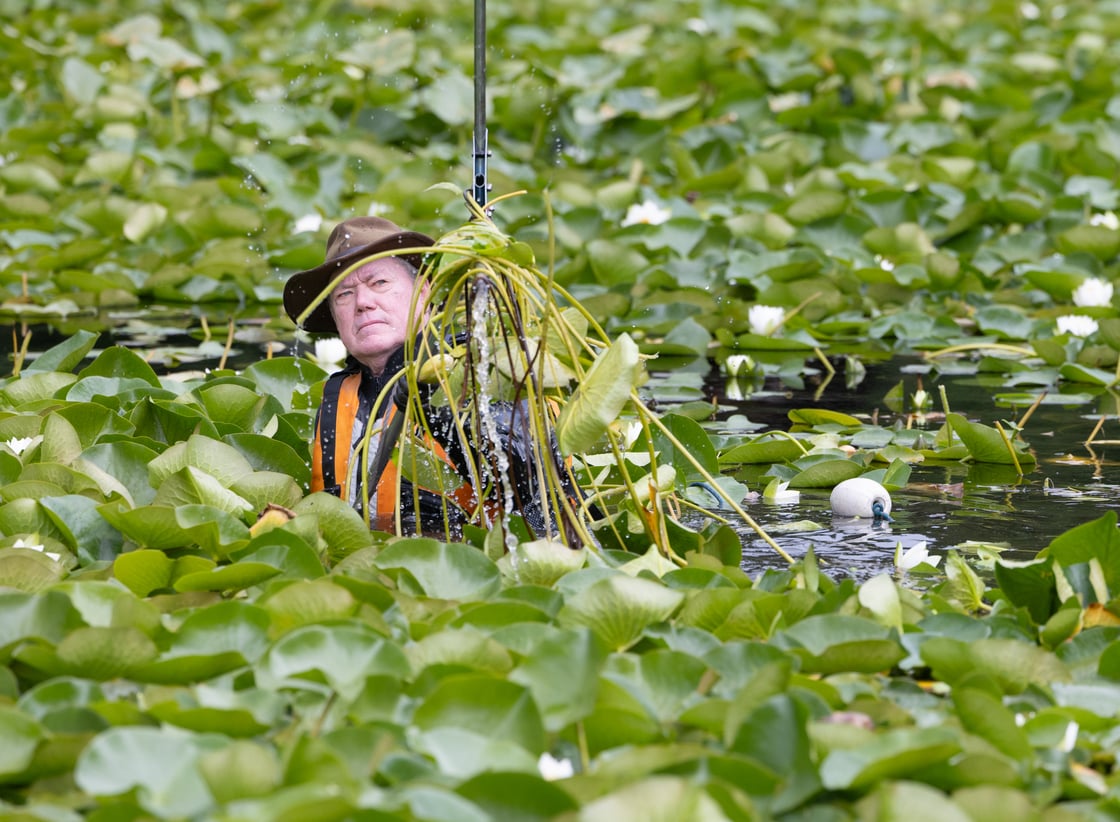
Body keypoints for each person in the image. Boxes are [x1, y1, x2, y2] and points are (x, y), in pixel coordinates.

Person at [284, 215, 580, 540]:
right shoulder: (337, 395)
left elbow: (546, 501)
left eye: (379, 283)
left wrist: (444, 414)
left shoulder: (487, 373)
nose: (363, 303)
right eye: (344, 294)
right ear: (335, 316)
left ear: (424, 294)